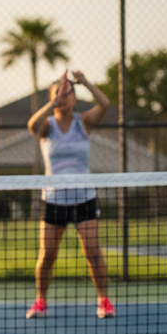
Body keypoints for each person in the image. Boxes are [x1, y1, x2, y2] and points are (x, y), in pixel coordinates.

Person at [25, 70, 114, 320]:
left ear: (75, 99)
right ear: (53, 99)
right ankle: (40, 302)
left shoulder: (83, 122)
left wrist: (84, 82)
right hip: (53, 199)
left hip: (84, 198)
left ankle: (104, 301)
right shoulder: (47, 126)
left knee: (93, 252)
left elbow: (105, 104)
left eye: (68, 93)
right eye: (59, 94)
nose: (64, 97)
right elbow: (32, 125)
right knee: (47, 255)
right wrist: (52, 102)